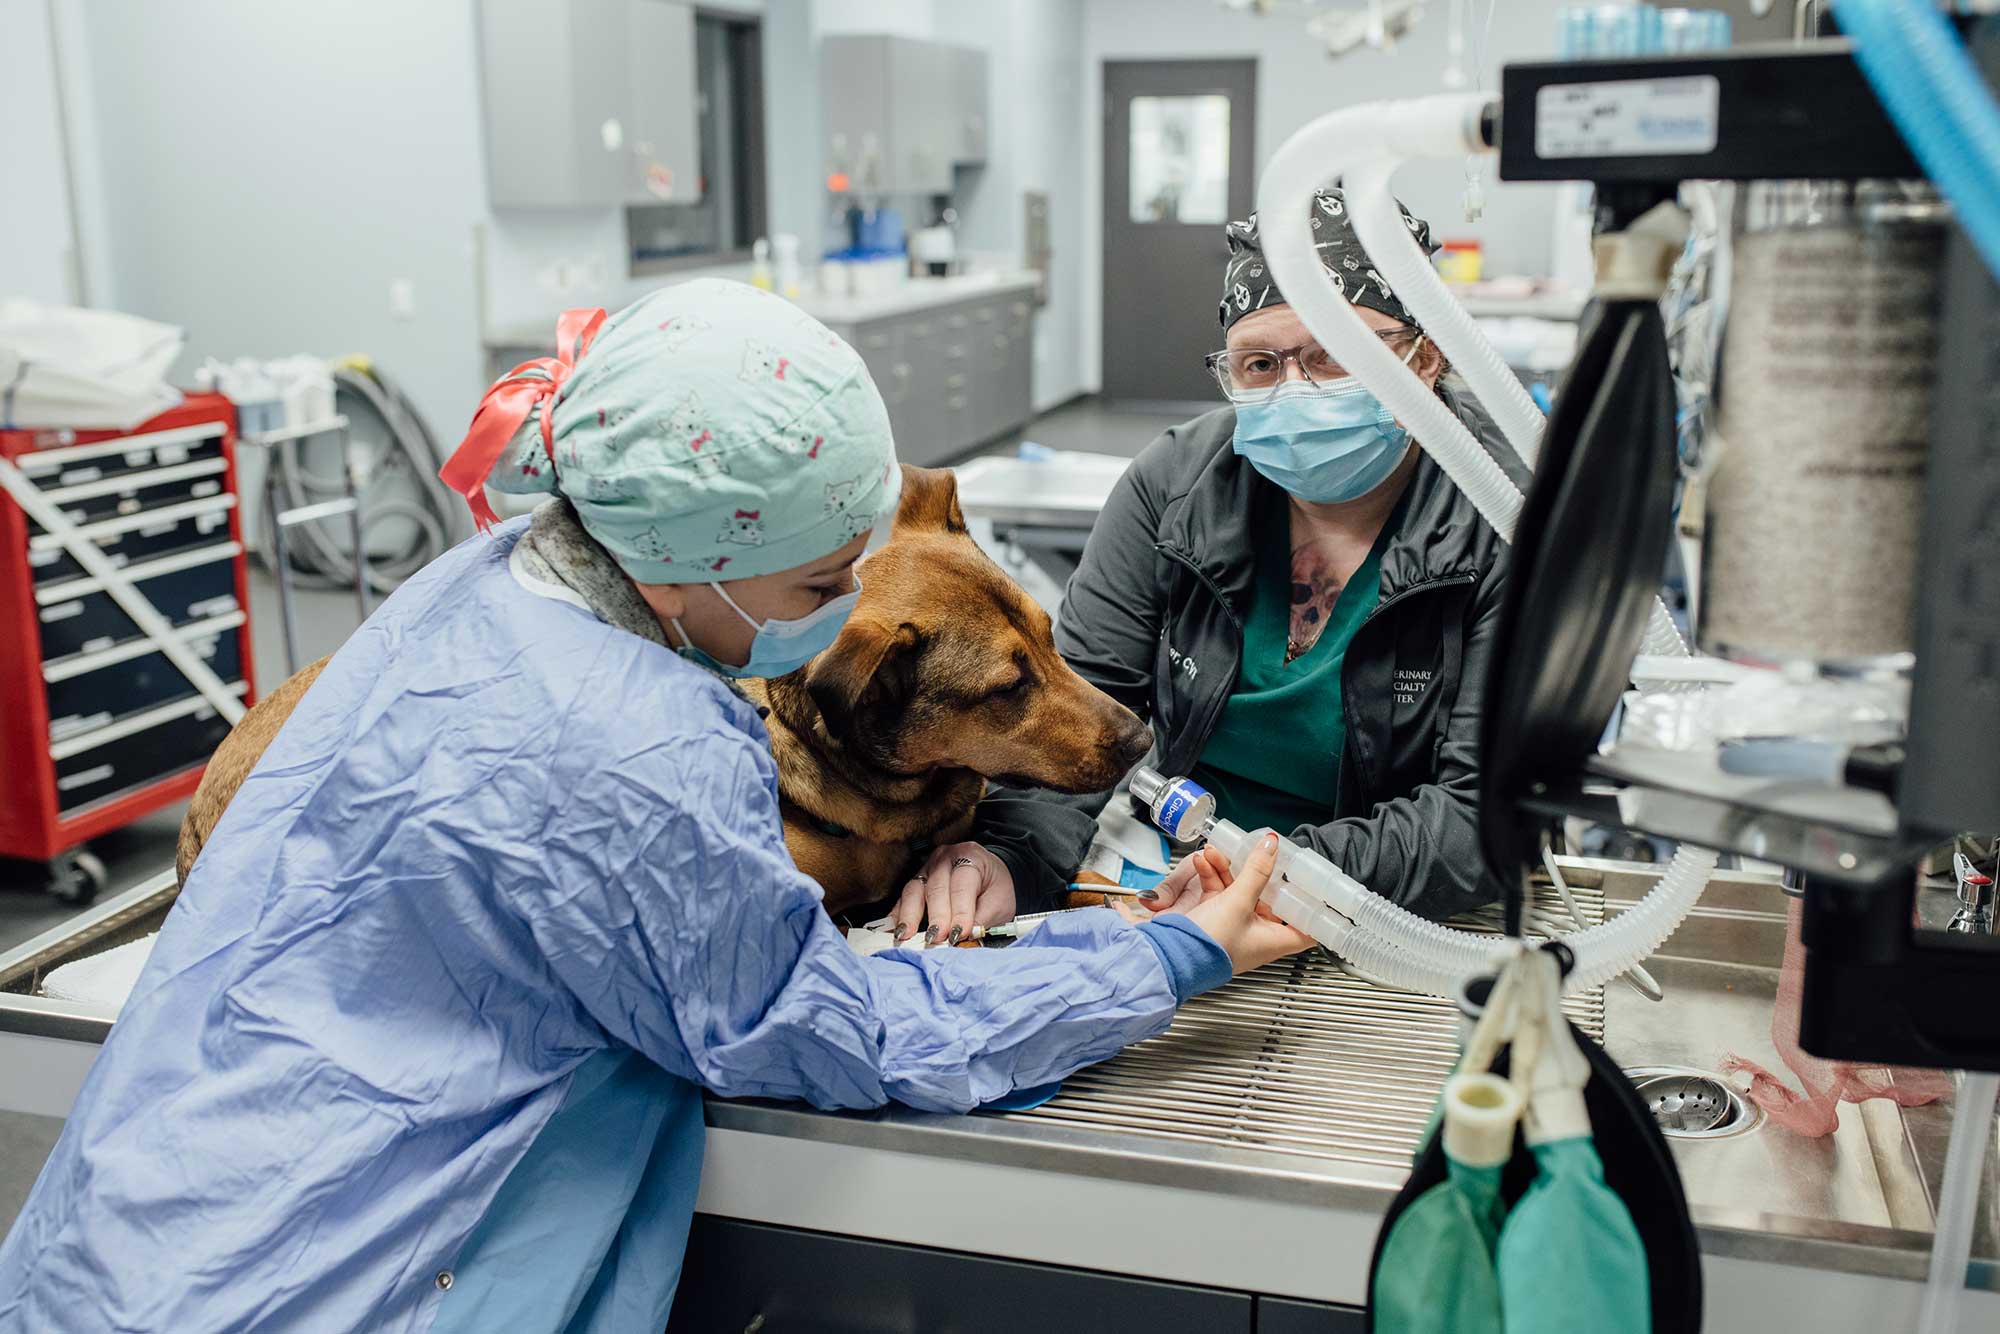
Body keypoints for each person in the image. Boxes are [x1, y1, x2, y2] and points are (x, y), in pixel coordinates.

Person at [0, 280, 1310, 1333]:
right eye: (811, 590)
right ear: (692, 559)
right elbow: (821, 1031)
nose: (830, 620)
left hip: (114, 1243)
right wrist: (1160, 953)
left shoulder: (468, 587)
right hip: (338, 1283)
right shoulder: (644, 750)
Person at [897, 191, 1520, 938]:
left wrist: (1271, 876)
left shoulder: (1508, 519)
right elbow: (1081, 709)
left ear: (1427, 355)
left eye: (1336, 354)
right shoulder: (1176, 487)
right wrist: (1007, 856)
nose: (1298, 390)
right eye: (1261, 364)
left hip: (1403, 913)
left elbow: (1481, 818)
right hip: (1183, 871)